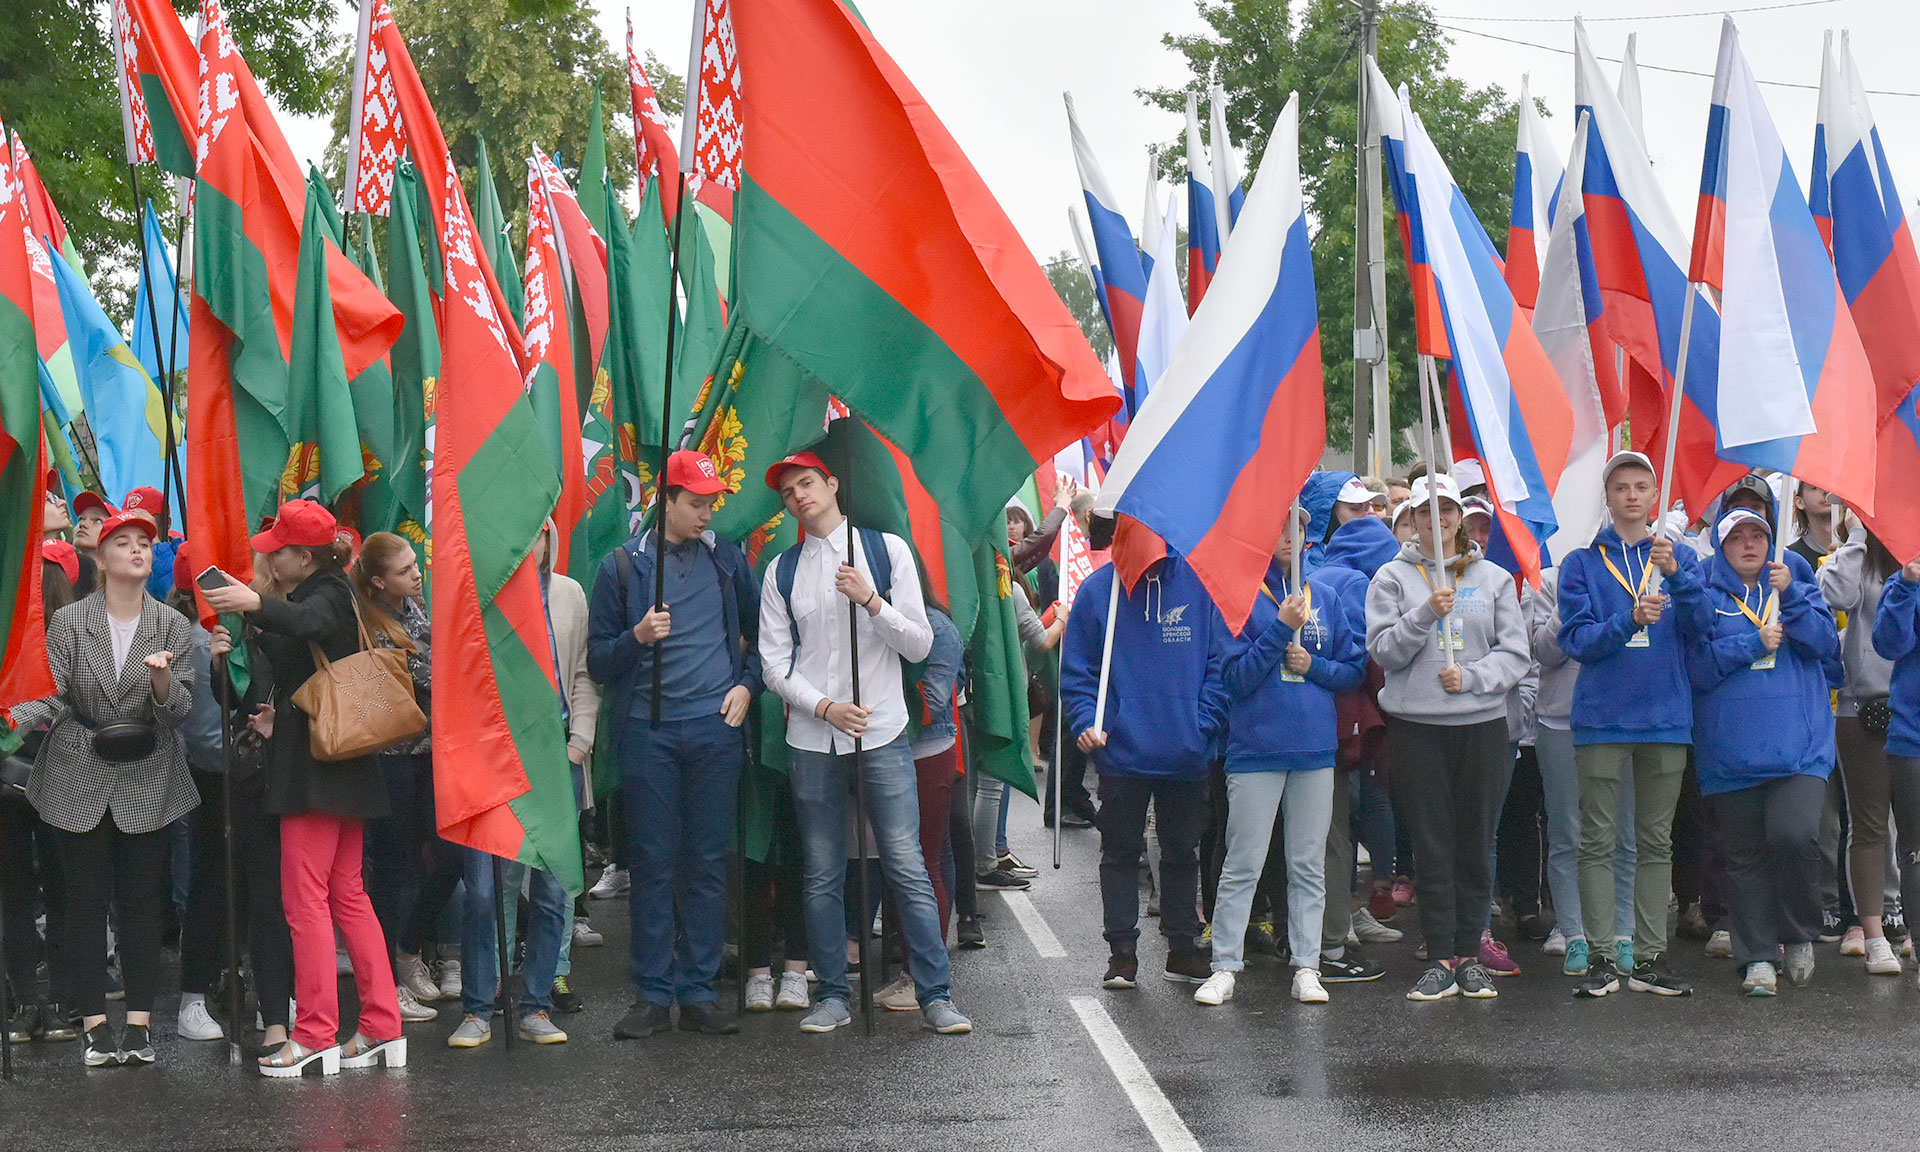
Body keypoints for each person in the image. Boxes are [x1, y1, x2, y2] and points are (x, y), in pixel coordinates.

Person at [757, 451, 971, 1035]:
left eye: (807, 483)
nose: (799, 496)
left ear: (832, 484)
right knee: (822, 870)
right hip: (811, 737)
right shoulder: (781, 571)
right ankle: (832, 993)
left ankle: (935, 994)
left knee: (904, 862)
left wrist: (872, 601)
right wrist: (823, 706)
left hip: (882, 731)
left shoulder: (885, 551)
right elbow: (774, 663)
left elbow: (920, 644)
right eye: (788, 492)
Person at [201, 500, 405, 1076]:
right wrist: (242, 645)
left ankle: (315, 1033)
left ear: (305, 558)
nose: (269, 558)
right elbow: (299, 653)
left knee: (306, 901)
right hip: (340, 768)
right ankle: (381, 1024)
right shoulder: (329, 592)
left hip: (315, 774)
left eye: (279, 550)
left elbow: (311, 623)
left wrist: (253, 604)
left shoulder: (329, 592)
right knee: (347, 896)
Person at [10, 508, 198, 1066]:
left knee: (141, 904)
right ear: (101, 556)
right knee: (84, 903)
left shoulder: (171, 624)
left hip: (149, 771)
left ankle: (139, 1026)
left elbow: (180, 712)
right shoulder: (70, 621)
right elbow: (50, 693)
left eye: (145, 542)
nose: (138, 550)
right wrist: (8, 724)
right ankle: (93, 1024)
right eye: (124, 542)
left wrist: (162, 681)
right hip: (78, 769)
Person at [589, 450, 759, 1039]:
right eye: (696, 503)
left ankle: (699, 991)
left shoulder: (727, 559)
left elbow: (764, 635)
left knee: (707, 864)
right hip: (648, 733)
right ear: (666, 500)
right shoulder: (621, 566)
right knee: (653, 865)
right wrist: (637, 637)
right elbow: (598, 661)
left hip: (715, 730)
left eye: (712, 503)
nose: (707, 514)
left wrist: (748, 685)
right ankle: (653, 995)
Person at [1366, 474, 1530, 1001]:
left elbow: (1515, 654)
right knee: (1432, 845)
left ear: (1460, 518)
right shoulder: (1391, 578)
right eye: (1424, 513)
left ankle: (1470, 955)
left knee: (1476, 844)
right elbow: (1384, 651)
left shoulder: (1494, 578)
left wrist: (1475, 677)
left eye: (1447, 512)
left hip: (1481, 726)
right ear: (1411, 520)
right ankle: (1440, 956)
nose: (1437, 521)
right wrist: (1424, 614)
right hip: (1417, 727)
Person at [1557, 451, 1713, 999]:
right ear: (1607, 496)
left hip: (1665, 718)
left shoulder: (1678, 556)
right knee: (1598, 840)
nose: (1630, 495)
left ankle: (1648, 957)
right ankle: (1602, 956)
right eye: (1621, 486)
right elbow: (1576, 640)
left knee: (1655, 842)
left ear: (1654, 497)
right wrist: (1628, 619)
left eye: (1641, 486)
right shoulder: (1581, 563)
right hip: (1602, 719)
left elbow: (1703, 625)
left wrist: (1678, 578)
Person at [1195, 514, 1365, 1007]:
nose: (1289, 536)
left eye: (1298, 528)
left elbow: (1352, 670)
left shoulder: (1324, 596)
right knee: (1242, 862)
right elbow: (1235, 678)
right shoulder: (1240, 597)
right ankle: (1225, 966)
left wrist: (1314, 665)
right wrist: (1279, 630)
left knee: (1307, 864)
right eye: (1280, 526)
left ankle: (1307, 966)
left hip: (1314, 750)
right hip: (1255, 752)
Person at [1061, 531, 1228, 993]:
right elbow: (1077, 672)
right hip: (1120, 751)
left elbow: (1219, 665)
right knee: (1119, 852)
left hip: (1186, 752)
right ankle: (1122, 953)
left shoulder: (1200, 584)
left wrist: (1202, 725)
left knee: (1182, 851)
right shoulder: (1098, 591)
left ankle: (1182, 946)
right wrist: (1087, 722)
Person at [448, 520, 594, 1048]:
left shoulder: (569, 594)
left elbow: (583, 674)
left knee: (553, 890)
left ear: (550, 539)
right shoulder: (477, 598)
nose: (528, 543)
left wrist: (578, 743)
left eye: (538, 533)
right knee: (484, 891)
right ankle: (477, 1009)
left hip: (555, 759)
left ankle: (535, 1005)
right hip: (491, 763)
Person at [1688, 509, 1838, 996]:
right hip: (1730, 751)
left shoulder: (1795, 579)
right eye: (1737, 537)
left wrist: (1790, 595)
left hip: (1800, 748)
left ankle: (1797, 933)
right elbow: (1697, 669)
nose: (1749, 544)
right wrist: (1751, 644)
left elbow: (1824, 646)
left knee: (1795, 836)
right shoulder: (1704, 593)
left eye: (1758, 535)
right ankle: (1757, 957)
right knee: (1745, 857)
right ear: (1721, 546)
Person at [170, 546, 299, 1048]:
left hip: (258, 776)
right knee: (214, 887)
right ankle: (194, 995)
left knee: (262, 891)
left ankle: (272, 997)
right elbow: (207, 731)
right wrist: (244, 754)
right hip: (219, 778)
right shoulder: (200, 636)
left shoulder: (266, 627)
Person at [350, 533, 451, 1025]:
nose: (416, 574)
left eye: (415, 564)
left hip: (433, 751)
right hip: (387, 755)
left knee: (451, 854)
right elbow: (420, 676)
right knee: (393, 869)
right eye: (404, 570)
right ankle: (388, 981)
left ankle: (409, 947)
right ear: (377, 581)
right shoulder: (363, 621)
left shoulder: (419, 608)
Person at [1531, 565, 1638, 977]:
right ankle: (1573, 932)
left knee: (1622, 833)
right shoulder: (1549, 580)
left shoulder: (1633, 573)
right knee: (1567, 832)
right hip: (1560, 720)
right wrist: (1571, 603)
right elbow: (1545, 651)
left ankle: (1621, 932)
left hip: (1618, 720)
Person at [1821, 527, 1911, 974]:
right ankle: (1873, 936)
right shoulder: (1859, 553)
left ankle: (1911, 928)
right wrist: (1858, 531)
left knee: (1914, 831)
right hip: (1864, 707)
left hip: (1913, 708)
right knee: (1870, 826)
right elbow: (1833, 595)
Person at [1, 546, 80, 1046]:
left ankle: (27, 1001)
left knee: (15, 893)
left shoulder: (13, 633)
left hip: (12, 774)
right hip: (58, 776)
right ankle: (59, 1002)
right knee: (63, 892)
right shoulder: (75, 634)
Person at [1870, 550, 1920, 989]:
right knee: (1917, 851)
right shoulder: (1905, 581)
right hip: (1913, 740)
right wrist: (1905, 585)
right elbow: (1888, 644)